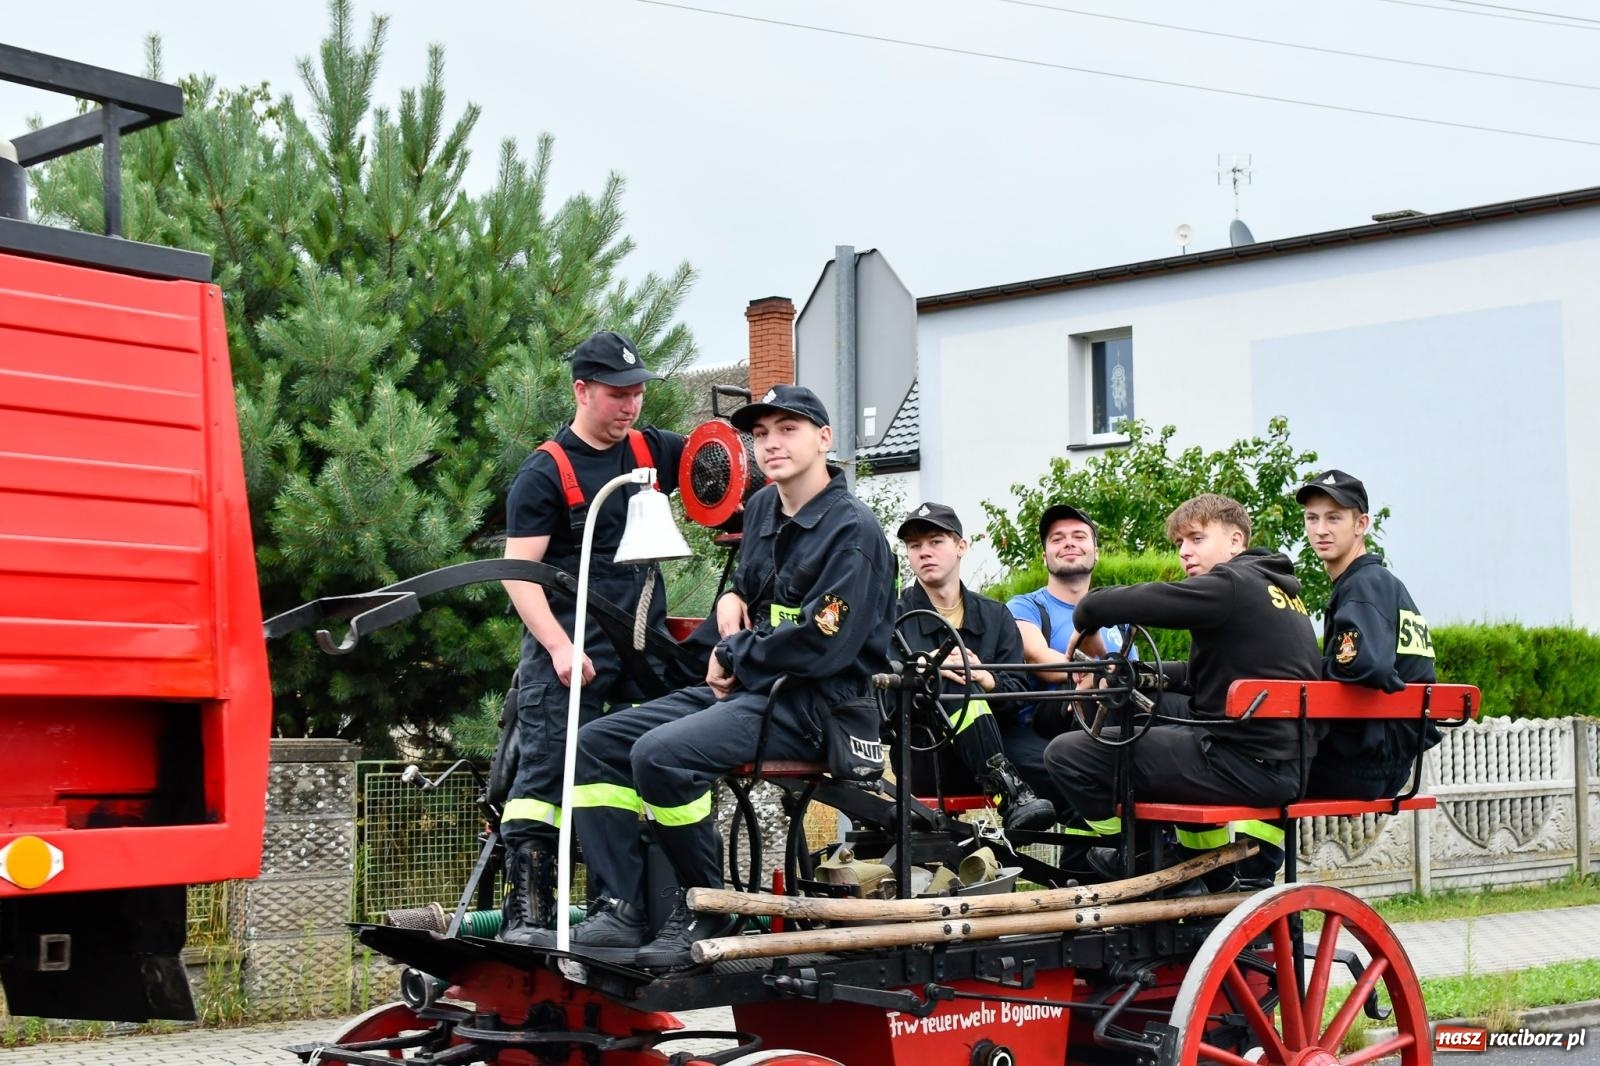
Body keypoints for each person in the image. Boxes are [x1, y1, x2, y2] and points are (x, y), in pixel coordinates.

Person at [548, 385, 896, 969]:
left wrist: (735, 655)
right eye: (760, 434)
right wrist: (732, 596)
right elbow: (754, 590)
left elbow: (823, 642)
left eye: (787, 429)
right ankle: (623, 908)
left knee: (660, 756)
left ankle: (707, 905)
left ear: (824, 439)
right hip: (754, 690)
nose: (771, 443)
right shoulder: (761, 510)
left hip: (816, 707)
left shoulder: (853, 531)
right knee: (595, 744)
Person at [496, 330, 685, 944]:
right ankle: (529, 914)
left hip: (641, 644)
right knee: (547, 772)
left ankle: (616, 907)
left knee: (624, 773)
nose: (631, 405)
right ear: (582, 391)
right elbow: (517, 574)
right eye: (617, 394)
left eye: (637, 393)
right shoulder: (545, 472)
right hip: (568, 644)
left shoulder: (652, 450)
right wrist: (557, 646)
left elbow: (721, 469)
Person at [1042, 494, 1323, 888]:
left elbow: (1133, 602)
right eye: (1179, 543)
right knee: (1138, 712)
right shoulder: (1279, 592)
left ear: (1236, 541)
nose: (1185, 552)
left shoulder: (1231, 585)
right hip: (1279, 761)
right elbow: (1204, 675)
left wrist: (1088, 610)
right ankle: (1205, 872)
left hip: (1242, 762)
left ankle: (1139, 854)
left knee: (1067, 755)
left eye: (1196, 539)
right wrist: (1135, 673)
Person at [895, 503, 1054, 830]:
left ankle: (1108, 849)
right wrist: (921, 670)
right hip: (928, 755)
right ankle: (1008, 794)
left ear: (961, 547)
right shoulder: (893, 618)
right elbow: (879, 692)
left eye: (935, 541)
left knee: (1061, 765)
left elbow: (1018, 690)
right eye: (914, 545)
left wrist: (988, 679)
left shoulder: (995, 615)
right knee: (952, 678)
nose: (924, 552)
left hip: (1000, 742)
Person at [1298, 469, 1440, 798]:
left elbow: (1366, 664)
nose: (1320, 530)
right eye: (1312, 518)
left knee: (1250, 767)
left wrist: (1304, 668)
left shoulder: (1363, 586)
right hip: (1388, 761)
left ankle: (1260, 837)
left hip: (1362, 763)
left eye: (1334, 518)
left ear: (1361, 524)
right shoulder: (1379, 583)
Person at [1003, 504, 1126, 807]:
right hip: (1048, 725)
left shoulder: (1119, 616)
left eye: (1078, 536)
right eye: (1057, 539)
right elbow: (1038, 658)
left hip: (1110, 722)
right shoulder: (1026, 607)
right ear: (1045, 556)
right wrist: (1094, 676)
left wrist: (1103, 679)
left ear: (1096, 552)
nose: (1068, 543)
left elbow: (1128, 673)